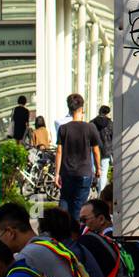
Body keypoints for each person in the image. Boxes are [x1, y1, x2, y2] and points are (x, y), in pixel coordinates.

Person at [55, 93, 102, 222]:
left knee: (64, 201)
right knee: (78, 207)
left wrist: (56, 174)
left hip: (67, 173)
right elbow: (96, 150)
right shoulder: (90, 128)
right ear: (81, 109)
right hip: (84, 173)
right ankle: (75, 235)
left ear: (69, 109)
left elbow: (59, 152)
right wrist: (99, 169)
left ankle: (61, 232)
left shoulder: (63, 129)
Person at [90, 105, 114, 187]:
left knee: (94, 170)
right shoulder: (110, 123)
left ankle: (95, 185)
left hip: (93, 149)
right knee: (103, 172)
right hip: (106, 150)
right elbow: (113, 137)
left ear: (99, 111)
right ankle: (101, 192)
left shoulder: (91, 123)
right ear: (108, 113)